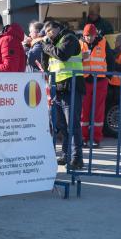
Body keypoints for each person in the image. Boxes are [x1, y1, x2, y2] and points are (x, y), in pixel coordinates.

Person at [40, 20, 85, 170]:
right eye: (46, 32)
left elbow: (63, 55)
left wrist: (46, 46)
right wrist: (44, 49)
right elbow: (47, 65)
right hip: (58, 88)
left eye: (50, 31)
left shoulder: (69, 38)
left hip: (72, 86)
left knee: (73, 124)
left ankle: (77, 158)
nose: (48, 34)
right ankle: (66, 155)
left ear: (58, 28)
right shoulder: (53, 43)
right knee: (62, 126)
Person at [79, 24, 115, 148]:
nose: (89, 38)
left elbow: (111, 59)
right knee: (84, 110)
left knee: (98, 110)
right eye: (86, 36)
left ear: (95, 35)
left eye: (91, 36)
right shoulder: (79, 43)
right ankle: (83, 137)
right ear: (83, 35)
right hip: (84, 81)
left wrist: (108, 77)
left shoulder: (103, 42)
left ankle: (96, 138)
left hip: (100, 81)